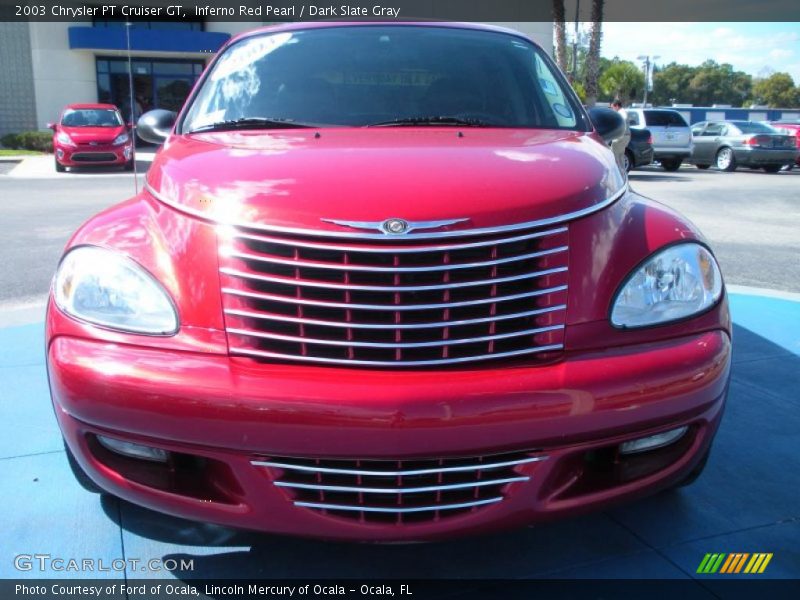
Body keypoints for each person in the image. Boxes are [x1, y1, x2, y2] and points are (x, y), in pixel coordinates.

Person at [610, 98, 631, 172]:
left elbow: (623, 119)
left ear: (617, 106)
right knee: (620, 156)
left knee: (613, 156)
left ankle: (617, 174)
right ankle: (622, 174)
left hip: (620, 136)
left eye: (612, 107)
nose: (612, 109)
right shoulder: (623, 112)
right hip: (626, 136)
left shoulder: (620, 113)